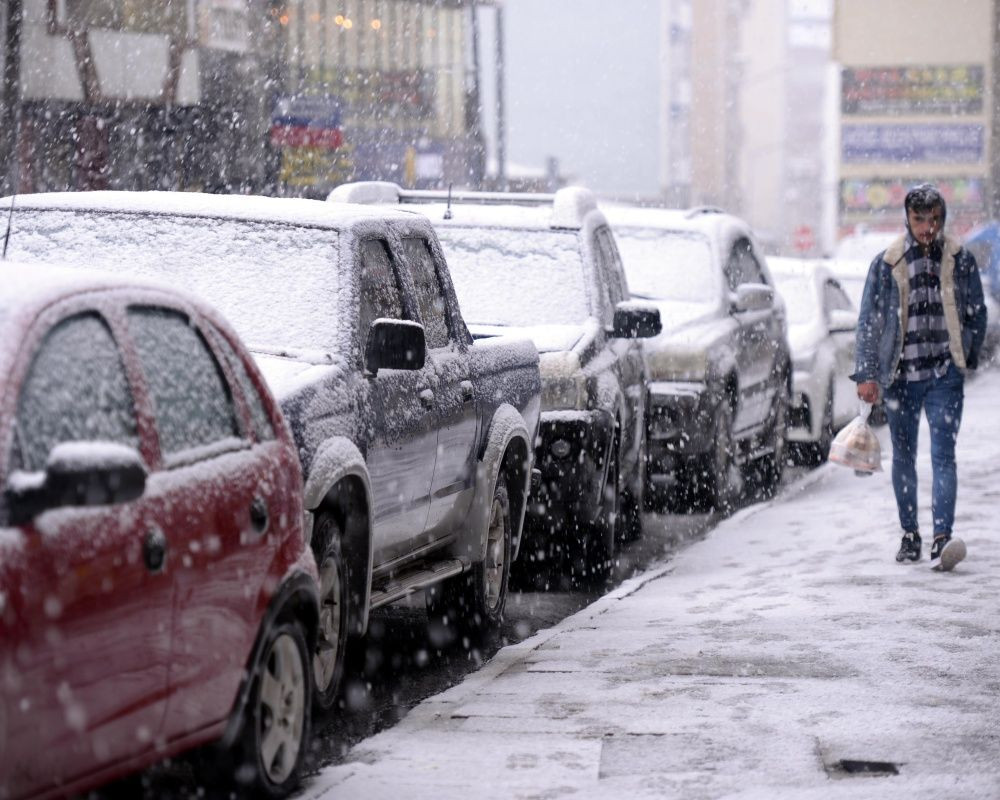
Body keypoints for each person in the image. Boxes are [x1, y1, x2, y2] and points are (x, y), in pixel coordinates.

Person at [852, 183, 987, 571]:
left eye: (933, 219)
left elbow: (976, 312)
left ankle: (942, 537)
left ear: (942, 217)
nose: (927, 228)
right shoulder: (887, 263)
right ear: (907, 218)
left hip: (944, 376)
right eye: (919, 219)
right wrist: (867, 373)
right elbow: (869, 323)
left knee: (944, 456)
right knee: (904, 455)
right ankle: (910, 534)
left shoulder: (959, 259)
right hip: (900, 377)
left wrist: (967, 357)